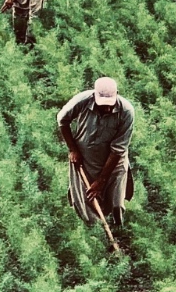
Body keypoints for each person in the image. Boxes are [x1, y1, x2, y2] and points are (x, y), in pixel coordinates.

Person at [57, 77, 135, 227]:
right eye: (102, 106)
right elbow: (62, 120)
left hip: (114, 161)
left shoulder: (126, 112)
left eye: (109, 105)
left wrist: (101, 180)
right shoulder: (82, 101)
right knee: (87, 201)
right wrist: (73, 149)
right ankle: (94, 231)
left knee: (116, 203)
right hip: (86, 159)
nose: (106, 109)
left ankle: (117, 228)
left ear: (117, 94)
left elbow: (118, 149)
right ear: (94, 96)